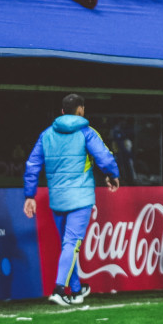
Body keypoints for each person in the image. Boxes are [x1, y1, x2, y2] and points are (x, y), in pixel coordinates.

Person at [23, 94, 120, 307]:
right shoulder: (87, 132)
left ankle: (75, 290)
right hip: (81, 198)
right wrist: (113, 175)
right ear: (81, 110)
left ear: (62, 112)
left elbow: (32, 164)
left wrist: (30, 195)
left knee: (68, 245)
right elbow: (104, 157)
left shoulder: (46, 135)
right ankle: (59, 290)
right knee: (71, 244)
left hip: (57, 199)